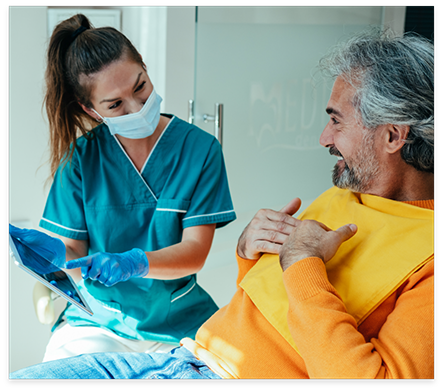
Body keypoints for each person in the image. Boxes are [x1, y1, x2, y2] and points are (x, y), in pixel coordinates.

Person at [10, 28, 433, 379]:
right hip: (188, 354)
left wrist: (302, 262)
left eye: (335, 120)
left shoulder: (425, 258)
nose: (323, 137)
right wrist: (250, 253)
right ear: (91, 109)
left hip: (207, 360)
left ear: (393, 136)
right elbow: (270, 303)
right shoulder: (348, 193)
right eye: (116, 103)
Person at [10, 13, 236, 362]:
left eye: (140, 86)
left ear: (145, 68)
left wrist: (135, 262)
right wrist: (53, 255)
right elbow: (74, 252)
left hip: (179, 322)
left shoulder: (201, 150)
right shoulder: (81, 160)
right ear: (91, 109)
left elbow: (195, 253)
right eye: (115, 104)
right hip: (98, 323)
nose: (137, 107)